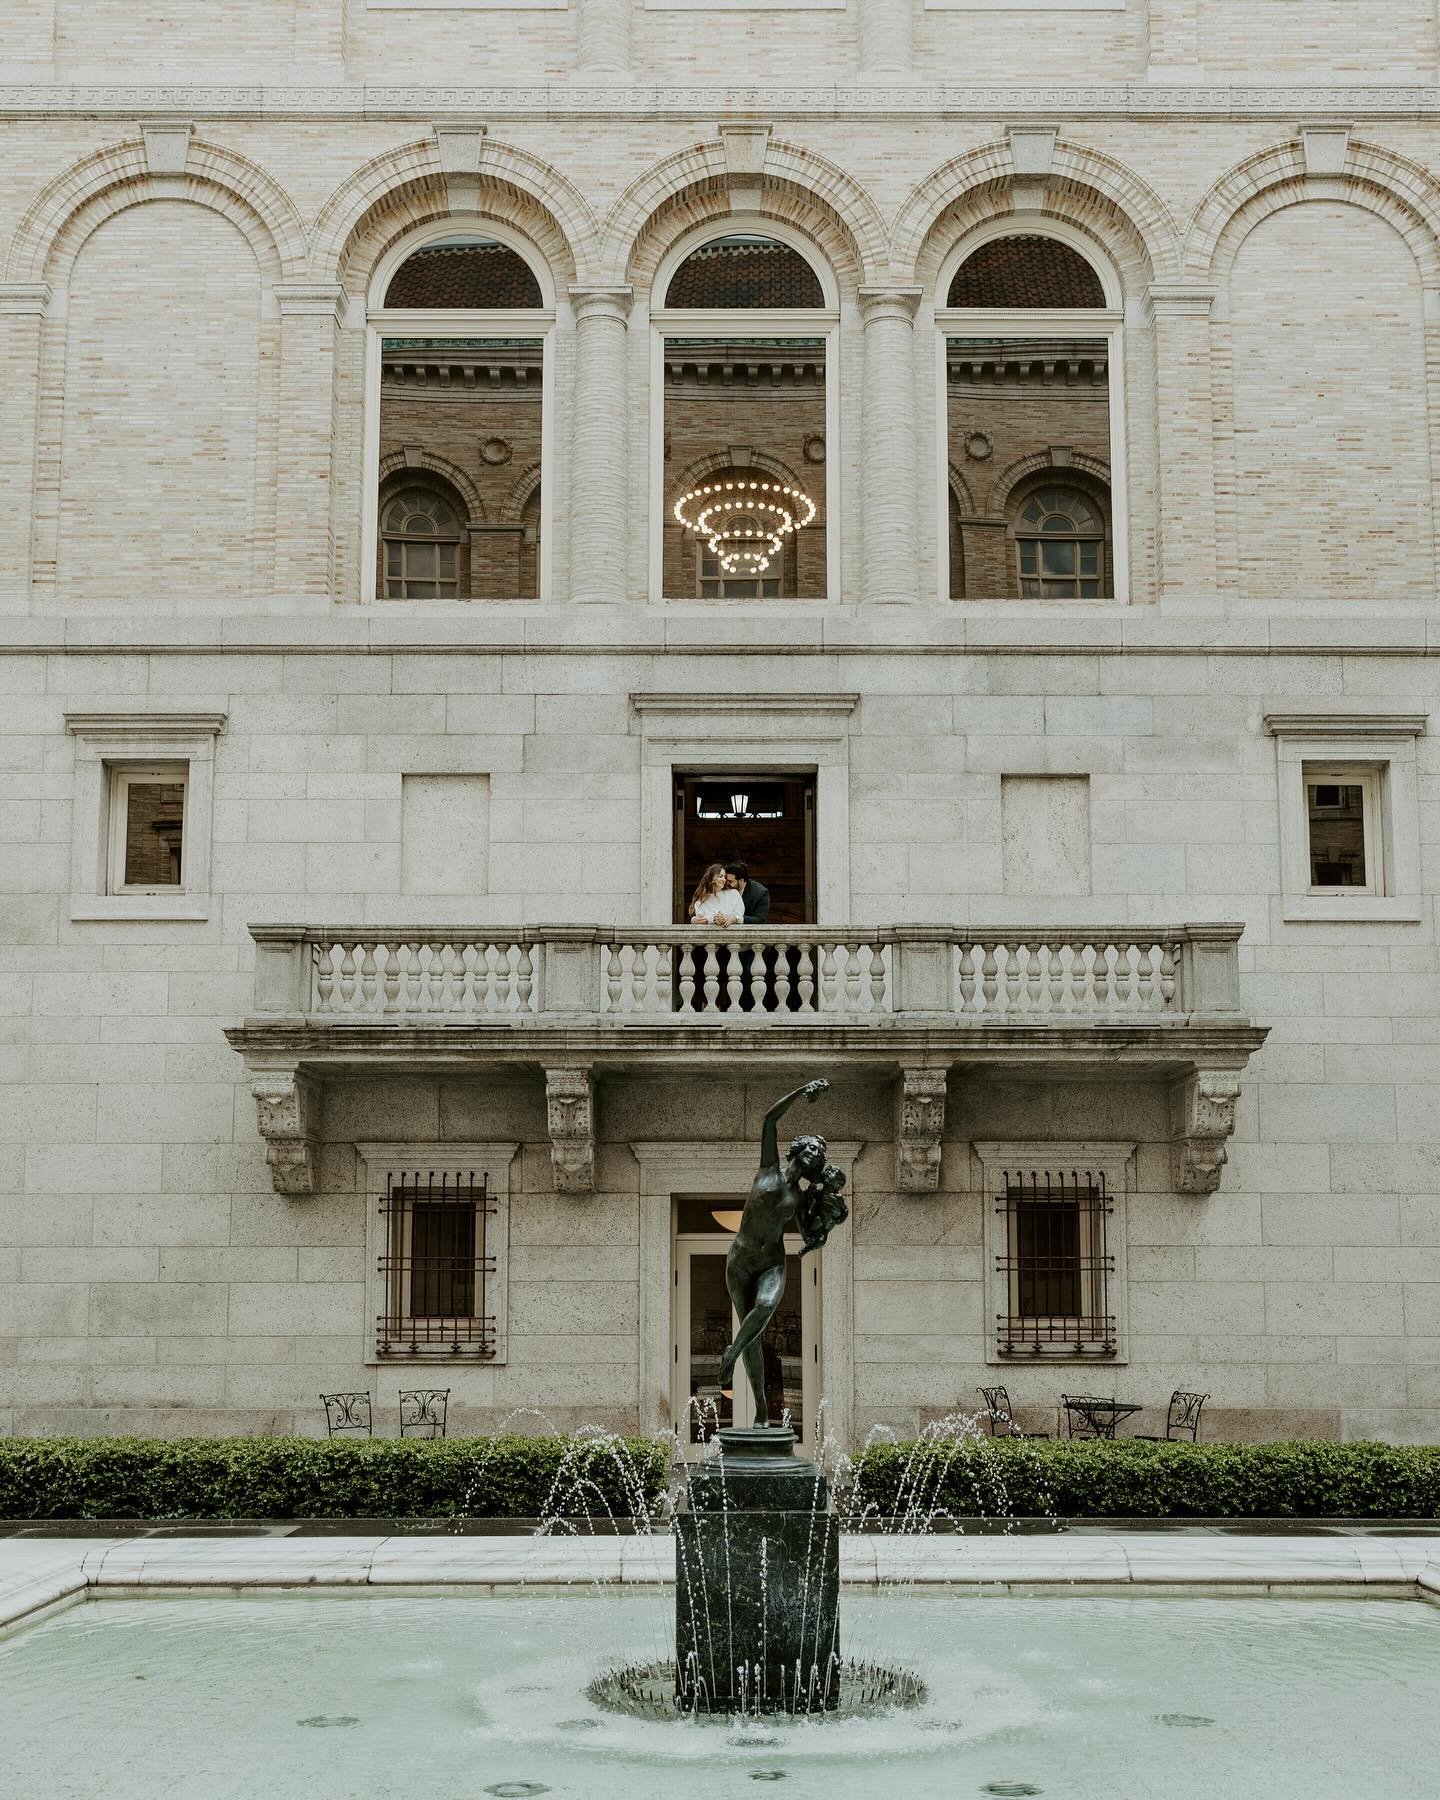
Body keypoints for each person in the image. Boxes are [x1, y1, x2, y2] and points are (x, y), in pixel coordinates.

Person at [718, 1079, 849, 1430]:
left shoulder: (803, 1196)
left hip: (772, 1262)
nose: (812, 1157)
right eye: (809, 1150)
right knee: (754, 1337)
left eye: (818, 1157)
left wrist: (826, 1222)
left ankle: (730, 1353)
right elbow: (769, 1120)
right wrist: (802, 1091)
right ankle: (761, 1409)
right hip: (740, 1261)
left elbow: (809, 1232)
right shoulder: (768, 1168)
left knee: (763, 1309)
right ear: (797, 1151)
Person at [688, 861, 744, 927]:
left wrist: (733, 918)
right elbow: (700, 920)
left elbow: (740, 917)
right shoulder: (701, 900)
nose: (724, 880)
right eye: (720, 876)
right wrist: (713, 919)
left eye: (724, 877)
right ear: (711, 879)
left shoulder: (734, 894)